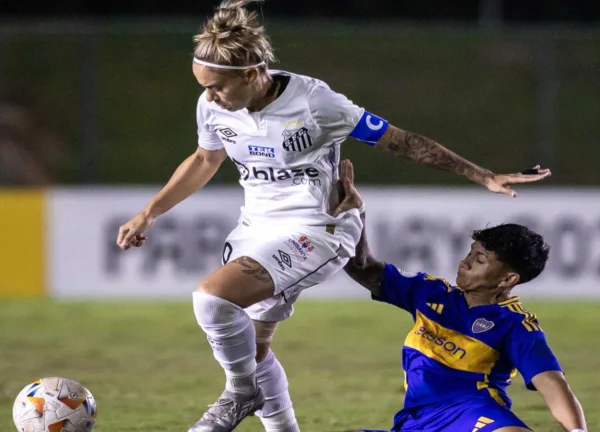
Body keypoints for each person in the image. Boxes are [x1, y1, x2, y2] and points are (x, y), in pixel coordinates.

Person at [115, 1, 552, 431]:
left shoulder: (315, 102)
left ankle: (238, 391)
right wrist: (149, 213)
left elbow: (401, 142)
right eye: (204, 86)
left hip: (318, 228)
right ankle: (259, 399)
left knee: (212, 299)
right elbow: (204, 159)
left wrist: (482, 175)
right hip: (256, 229)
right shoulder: (213, 106)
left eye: (217, 87)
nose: (209, 96)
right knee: (257, 350)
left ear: (251, 73)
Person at [331, 160, 586, 432]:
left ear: (507, 279)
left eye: (479, 260)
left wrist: (577, 431)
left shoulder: (515, 325)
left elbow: (550, 381)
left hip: (474, 416)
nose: (465, 263)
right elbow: (363, 267)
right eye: (469, 253)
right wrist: (355, 215)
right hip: (415, 423)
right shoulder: (428, 292)